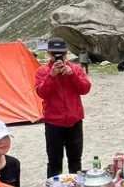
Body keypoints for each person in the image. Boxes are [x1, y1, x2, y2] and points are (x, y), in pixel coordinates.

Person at [35, 37, 92, 178]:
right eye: (55, 54)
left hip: (74, 122)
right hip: (53, 123)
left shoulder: (75, 69)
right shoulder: (42, 71)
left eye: (62, 54)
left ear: (66, 53)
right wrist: (51, 76)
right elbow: (41, 93)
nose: (58, 57)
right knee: (54, 162)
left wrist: (72, 76)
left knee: (75, 160)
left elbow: (85, 89)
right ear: (49, 53)